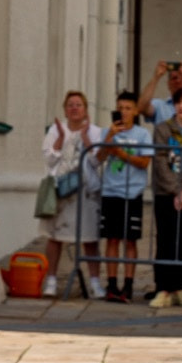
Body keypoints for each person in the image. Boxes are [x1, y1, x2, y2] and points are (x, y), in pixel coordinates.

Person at [44, 91, 102, 296]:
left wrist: (86, 139)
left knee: (89, 237)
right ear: (65, 110)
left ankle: (95, 282)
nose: (74, 108)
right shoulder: (55, 130)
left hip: (85, 190)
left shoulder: (95, 132)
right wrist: (60, 138)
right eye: (70, 105)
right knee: (55, 236)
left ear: (85, 109)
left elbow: (96, 162)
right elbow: (50, 160)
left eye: (79, 105)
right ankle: (51, 280)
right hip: (61, 189)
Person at [95, 92, 151, 302]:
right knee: (112, 238)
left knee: (130, 240)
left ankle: (128, 284)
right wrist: (109, 137)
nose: (124, 112)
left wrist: (121, 154)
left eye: (128, 108)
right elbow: (99, 157)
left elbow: (144, 162)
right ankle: (111, 284)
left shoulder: (143, 134)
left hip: (132, 192)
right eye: (120, 108)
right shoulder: (108, 132)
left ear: (135, 111)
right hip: (111, 190)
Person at [152, 85, 182, 307]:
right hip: (166, 192)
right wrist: (175, 190)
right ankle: (163, 288)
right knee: (165, 239)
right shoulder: (163, 129)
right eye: (179, 102)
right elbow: (161, 162)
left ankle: (179, 287)